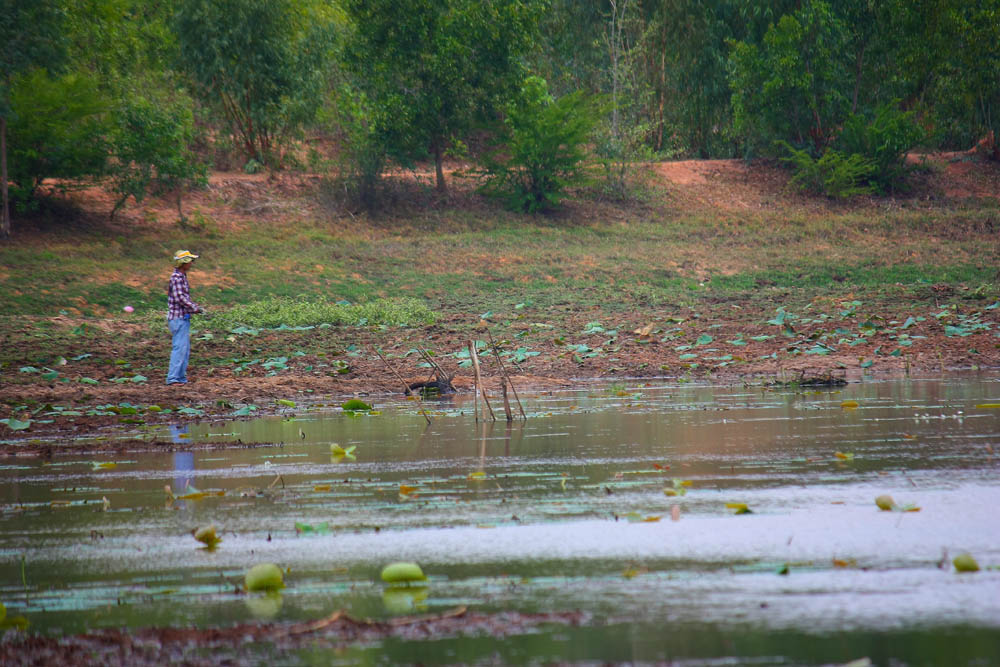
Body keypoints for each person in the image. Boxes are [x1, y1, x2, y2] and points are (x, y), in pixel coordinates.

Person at [166, 250, 204, 385]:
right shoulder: (176, 278)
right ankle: (173, 378)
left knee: (184, 349)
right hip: (178, 318)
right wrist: (194, 307)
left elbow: (183, 298)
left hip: (183, 317)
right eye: (190, 261)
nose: (192, 263)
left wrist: (193, 308)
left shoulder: (182, 276)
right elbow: (179, 298)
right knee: (179, 347)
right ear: (184, 263)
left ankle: (180, 378)